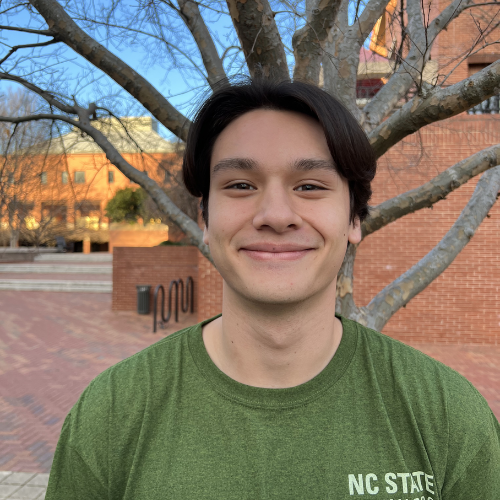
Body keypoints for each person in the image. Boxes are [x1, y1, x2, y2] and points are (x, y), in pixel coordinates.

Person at [46, 79, 500, 499]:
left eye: (310, 185)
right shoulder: (110, 415)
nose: (276, 214)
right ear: (205, 220)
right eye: (241, 185)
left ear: (354, 219)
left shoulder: (449, 418)